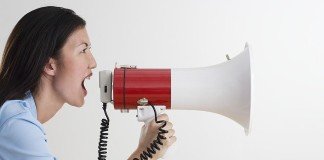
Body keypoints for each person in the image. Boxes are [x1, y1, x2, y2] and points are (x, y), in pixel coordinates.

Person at [0, 6, 176, 160]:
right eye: (83, 50)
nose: (93, 63)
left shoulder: (16, 117)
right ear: (49, 65)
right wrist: (146, 152)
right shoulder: (17, 126)